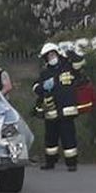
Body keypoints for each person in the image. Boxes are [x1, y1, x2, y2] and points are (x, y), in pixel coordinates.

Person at [34, 42, 80, 171]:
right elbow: (36, 88)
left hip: (67, 111)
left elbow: (80, 64)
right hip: (51, 112)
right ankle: (50, 162)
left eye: (53, 54)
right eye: (48, 56)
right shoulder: (45, 73)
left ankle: (72, 164)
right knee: (50, 140)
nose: (51, 57)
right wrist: (43, 86)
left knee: (69, 138)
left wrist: (71, 53)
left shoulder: (68, 66)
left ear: (58, 53)